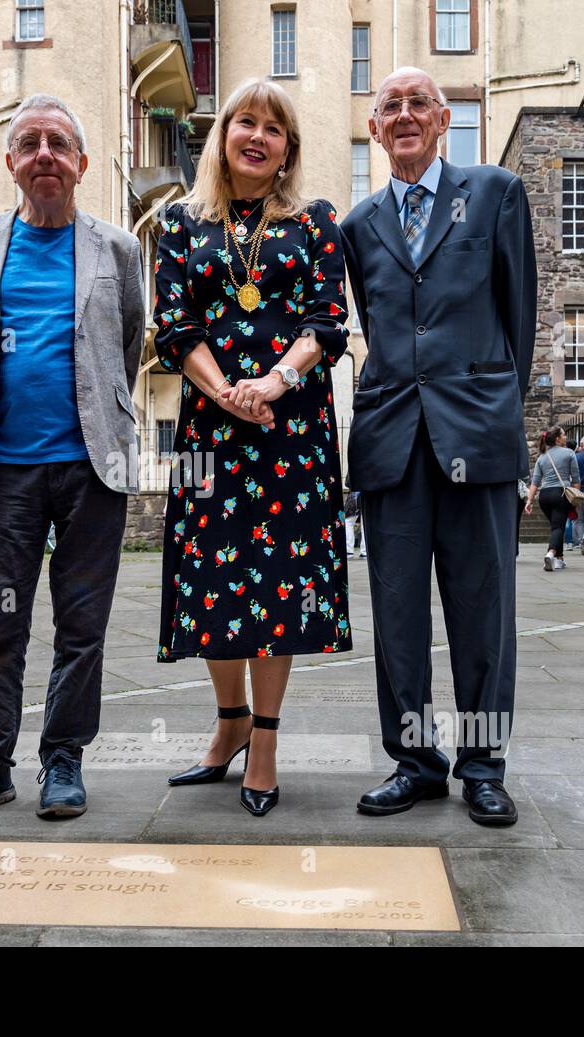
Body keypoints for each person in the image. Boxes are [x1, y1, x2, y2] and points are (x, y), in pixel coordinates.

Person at [0, 94, 145, 827]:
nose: (44, 152)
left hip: (90, 468)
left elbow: (128, 344)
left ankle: (64, 757)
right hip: (7, 469)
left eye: (59, 142)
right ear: (11, 162)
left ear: (80, 163)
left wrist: (101, 410)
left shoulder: (117, 249)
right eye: (29, 142)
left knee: (82, 625)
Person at [341, 67, 536, 827]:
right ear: (374, 129)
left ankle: (483, 764)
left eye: (418, 101)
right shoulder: (357, 227)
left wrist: (497, 412)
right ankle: (415, 762)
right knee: (397, 615)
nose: (404, 114)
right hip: (392, 442)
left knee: (483, 612)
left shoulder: (494, 193)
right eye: (389, 105)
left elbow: (518, 321)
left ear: (444, 116)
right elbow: (382, 326)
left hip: (478, 434)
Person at [152, 77, 352, 818]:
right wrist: (226, 393)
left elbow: (327, 321)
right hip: (212, 429)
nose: (258, 136)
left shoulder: (315, 222)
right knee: (213, 581)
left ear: (288, 149)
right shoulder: (180, 224)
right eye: (245, 121)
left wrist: (270, 383)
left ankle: (263, 740)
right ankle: (228, 719)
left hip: (291, 432)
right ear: (224, 134)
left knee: (277, 583)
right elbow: (175, 327)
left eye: (274, 127)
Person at [525, 426, 580, 572]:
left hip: (544, 496)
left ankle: (560, 559)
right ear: (557, 438)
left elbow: (535, 482)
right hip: (561, 494)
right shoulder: (569, 453)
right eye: (563, 435)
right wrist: (576, 499)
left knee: (557, 526)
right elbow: (576, 479)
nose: (565, 437)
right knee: (558, 527)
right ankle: (551, 554)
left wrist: (529, 501)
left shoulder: (542, 457)